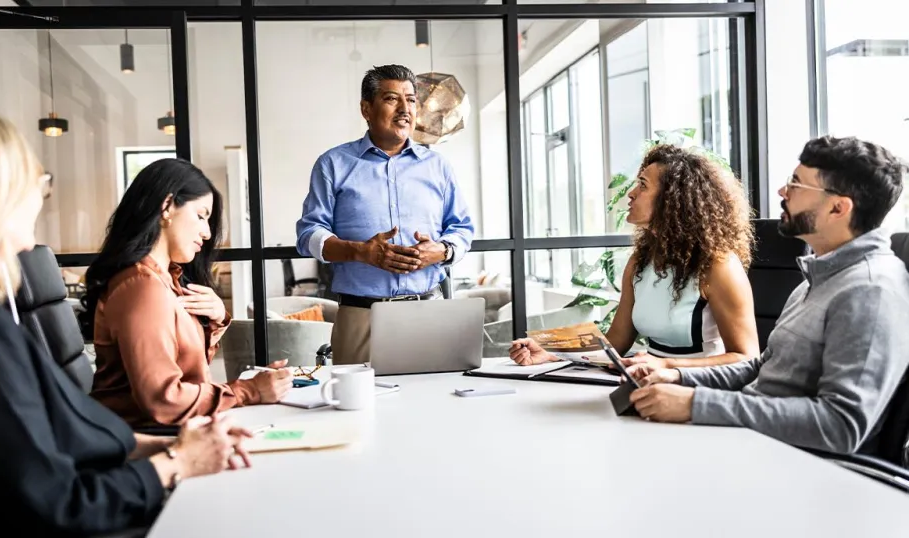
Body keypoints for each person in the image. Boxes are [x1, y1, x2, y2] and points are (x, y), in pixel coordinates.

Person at [0, 108, 252, 535]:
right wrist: (178, 462)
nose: (37, 211)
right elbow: (58, 505)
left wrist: (174, 446)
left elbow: (59, 438)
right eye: (34, 189)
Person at [626, 136, 909, 455]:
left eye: (797, 184)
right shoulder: (818, 278)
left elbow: (840, 426)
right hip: (756, 442)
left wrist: (696, 404)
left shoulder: (870, 292)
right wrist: (678, 377)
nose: (782, 191)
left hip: (795, 463)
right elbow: (763, 368)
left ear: (838, 208)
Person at [84, 158, 293, 427]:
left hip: (171, 428)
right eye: (201, 215)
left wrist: (216, 318)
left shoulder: (165, 281)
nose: (207, 233)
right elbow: (164, 399)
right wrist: (248, 390)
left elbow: (188, 373)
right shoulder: (142, 287)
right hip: (145, 438)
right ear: (167, 206)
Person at [511, 144, 759, 369]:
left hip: (701, 390)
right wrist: (551, 353)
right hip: (648, 382)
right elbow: (616, 341)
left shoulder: (719, 266)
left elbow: (746, 357)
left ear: (672, 198)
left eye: (643, 185)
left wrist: (666, 365)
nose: (631, 193)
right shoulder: (641, 262)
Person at [296, 64, 475, 364]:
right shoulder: (332, 164)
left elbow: (462, 229)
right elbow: (308, 235)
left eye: (411, 99)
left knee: (436, 393)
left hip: (430, 312)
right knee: (357, 396)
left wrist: (442, 251)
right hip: (361, 317)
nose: (405, 109)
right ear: (366, 109)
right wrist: (360, 252)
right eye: (392, 99)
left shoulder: (438, 166)